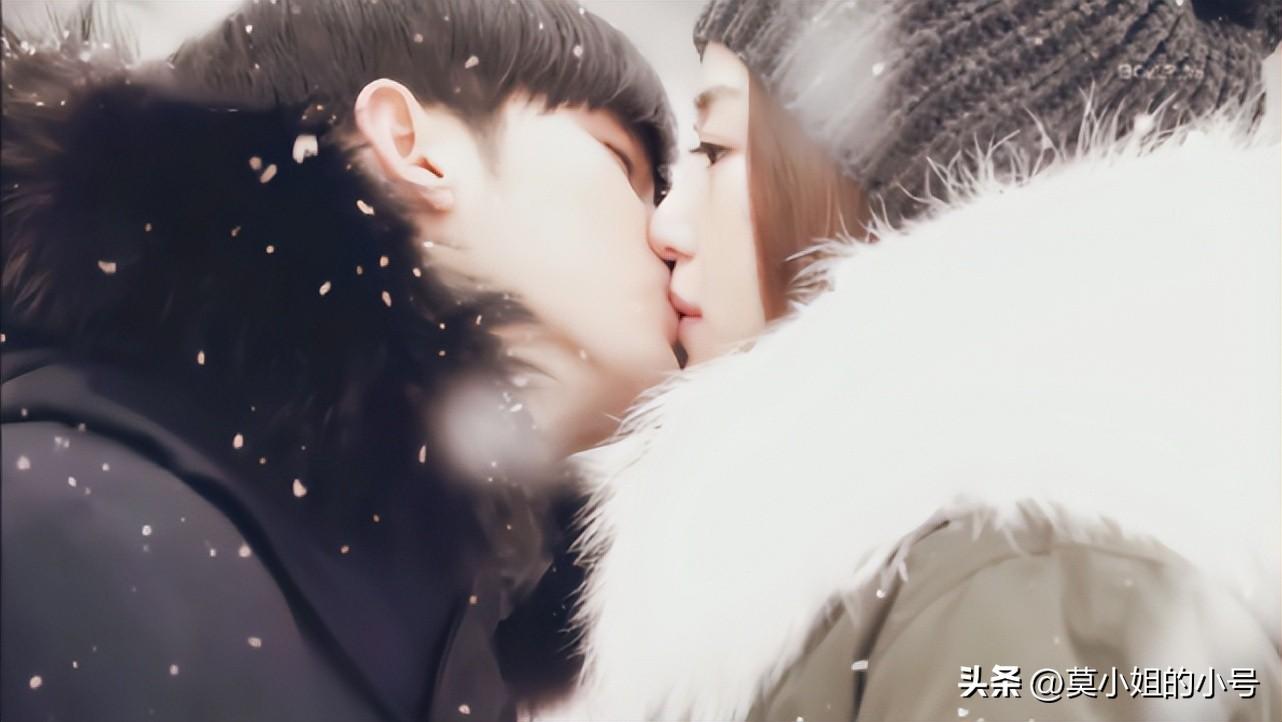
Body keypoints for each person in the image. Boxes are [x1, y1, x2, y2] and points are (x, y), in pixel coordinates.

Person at [553, 0, 1282, 720]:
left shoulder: (1021, 585)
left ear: (912, 180)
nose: (668, 224)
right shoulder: (977, 566)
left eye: (715, 150)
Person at [0, 1, 678, 720]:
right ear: (411, 145)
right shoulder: (64, 527)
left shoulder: (456, 629)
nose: (670, 230)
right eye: (624, 164)